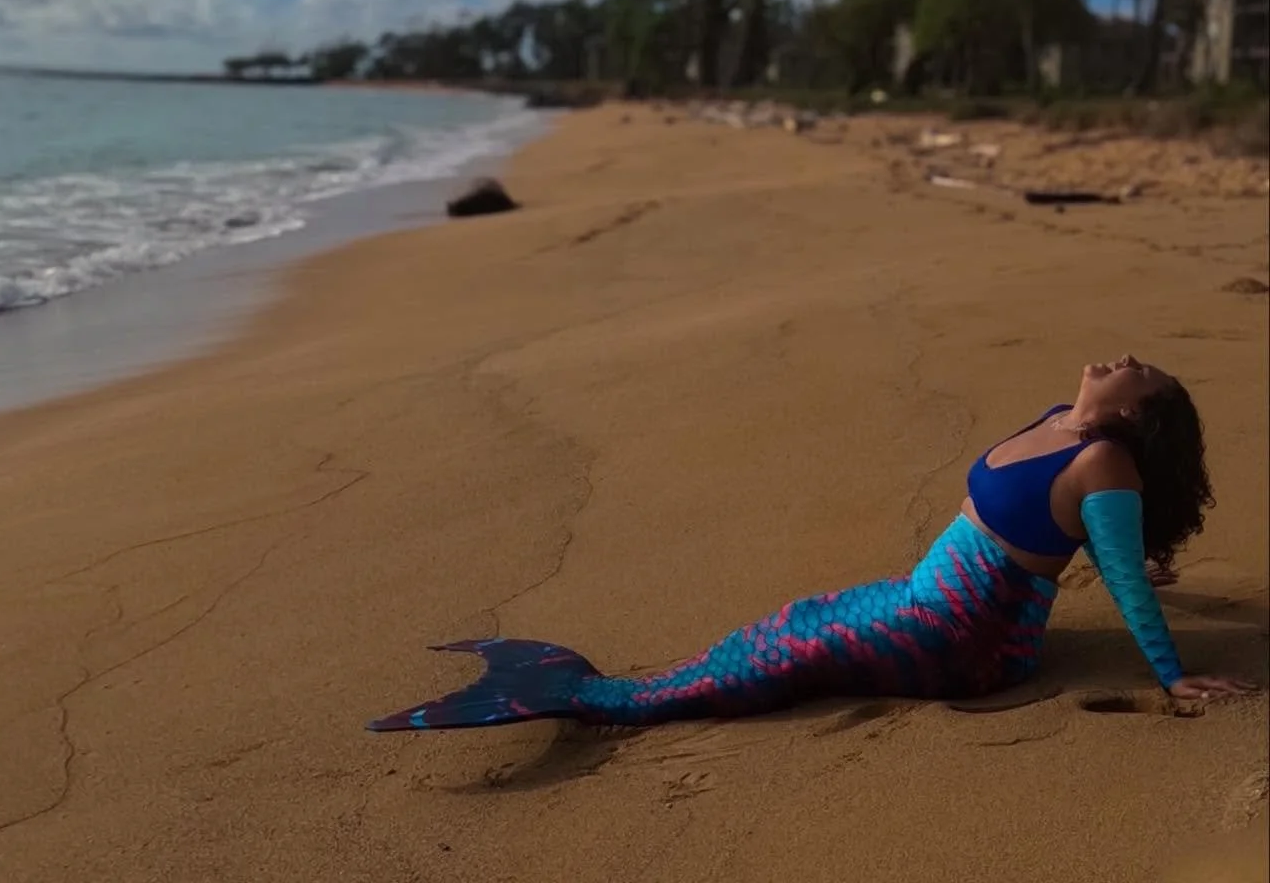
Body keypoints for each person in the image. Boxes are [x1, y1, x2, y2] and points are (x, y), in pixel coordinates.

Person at [367, 355, 1257, 731]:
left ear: (1139, 413)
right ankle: (583, 685)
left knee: (798, 650)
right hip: (927, 599)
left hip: (967, 640)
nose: (1122, 355)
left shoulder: (1106, 463)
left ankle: (594, 700)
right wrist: (1141, 562)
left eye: (1140, 369)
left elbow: (1117, 574)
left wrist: (1171, 674)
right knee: (798, 619)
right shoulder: (1062, 419)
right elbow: (1103, 553)